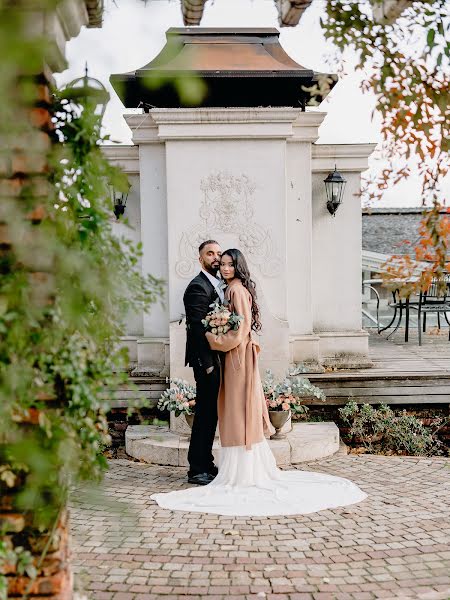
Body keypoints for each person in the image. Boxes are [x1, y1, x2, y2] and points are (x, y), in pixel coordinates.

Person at [152, 249, 367, 516]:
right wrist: (214, 340)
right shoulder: (216, 287)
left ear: (238, 266)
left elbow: (240, 330)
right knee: (225, 411)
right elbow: (215, 325)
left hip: (236, 357)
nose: (224, 265)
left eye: (229, 263)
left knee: (236, 409)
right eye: (220, 260)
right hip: (228, 358)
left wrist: (213, 339)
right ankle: (211, 468)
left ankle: (234, 470)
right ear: (201, 258)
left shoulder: (235, 290)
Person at [183, 240, 224, 486]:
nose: (215, 257)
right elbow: (198, 330)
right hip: (205, 362)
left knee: (211, 414)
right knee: (205, 415)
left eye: (218, 253)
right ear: (201, 259)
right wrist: (208, 365)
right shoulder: (197, 287)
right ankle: (197, 468)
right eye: (210, 253)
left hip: (216, 360)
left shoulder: (217, 285)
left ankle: (206, 463)